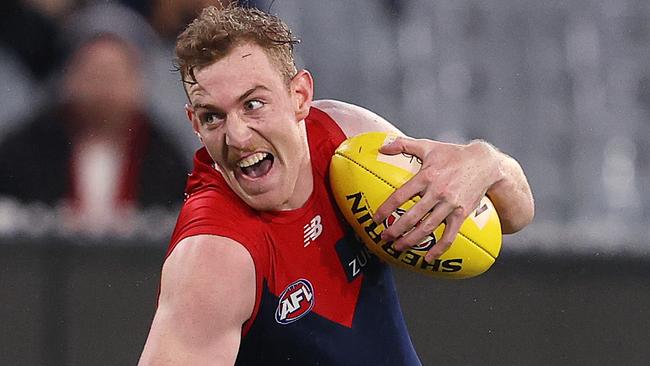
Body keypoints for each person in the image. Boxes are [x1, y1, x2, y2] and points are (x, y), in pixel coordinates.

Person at [138, 4, 534, 365]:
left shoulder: (347, 138)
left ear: (300, 96)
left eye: (253, 104)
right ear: (194, 124)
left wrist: (486, 162)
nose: (237, 136)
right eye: (212, 117)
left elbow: (516, 214)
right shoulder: (215, 256)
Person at [0, 32, 188, 235]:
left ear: (138, 84)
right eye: (94, 75)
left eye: (114, 77)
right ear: (69, 79)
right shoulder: (25, 150)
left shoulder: (165, 156)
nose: (104, 90)